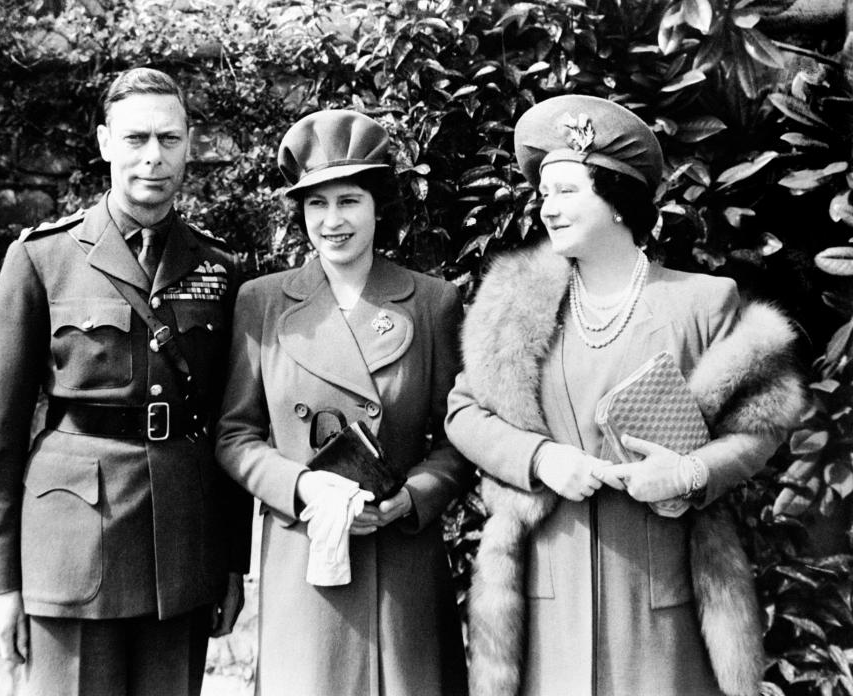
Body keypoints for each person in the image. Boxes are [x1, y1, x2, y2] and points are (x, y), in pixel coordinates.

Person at [445, 95, 807, 696]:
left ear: (615, 199)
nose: (547, 208)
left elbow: (762, 426)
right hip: (544, 598)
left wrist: (690, 471)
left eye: (566, 191)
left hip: (667, 601)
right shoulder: (515, 305)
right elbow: (464, 412)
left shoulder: (701, 302)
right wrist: (541, 458)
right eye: (543, 194)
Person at [0, 67, 252, 696]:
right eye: (136, 138)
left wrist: (231, 564)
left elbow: (233, 424)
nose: (154, 157)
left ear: (190, 143)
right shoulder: (43, 258)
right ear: (103, 143)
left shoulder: (219, 266)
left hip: (181, 548)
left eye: (169, 139)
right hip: (70, 546)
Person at [215, 109, 470, 696]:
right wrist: (300, 486)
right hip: (306, 558)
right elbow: (234, 435)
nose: (333, 221)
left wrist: (409, 499)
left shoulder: (432, 302)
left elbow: (458, 438)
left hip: (401, 561)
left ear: (380, 206)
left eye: (349, 200)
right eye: (316, 205)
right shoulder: (262, 303)